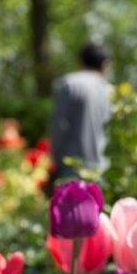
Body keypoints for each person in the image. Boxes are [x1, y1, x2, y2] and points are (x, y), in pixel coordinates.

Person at [50, 42, 112, 184]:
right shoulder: (109, 90)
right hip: (102, 170)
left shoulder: (69, 84)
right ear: (104, 64)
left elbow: (58, 127)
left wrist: (55, 160)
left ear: (81, 61)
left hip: (71, 168)